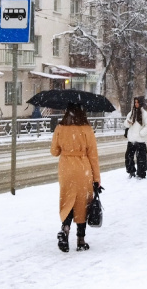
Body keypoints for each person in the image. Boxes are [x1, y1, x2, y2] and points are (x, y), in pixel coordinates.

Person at [50, 103, 101, 253]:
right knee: (82, 203)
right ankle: (81, 240)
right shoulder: (87, 129)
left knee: (67, 201)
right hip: (82, 169)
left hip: (66, 169)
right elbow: (93, 155)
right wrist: (96, 178)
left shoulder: (60, 128)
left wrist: (64, 146)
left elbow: (54, 151)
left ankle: (65, 230)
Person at [124, 96, 147, 179]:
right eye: (135, 102)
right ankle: (131, 171)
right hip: (131, 139)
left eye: (137, 102)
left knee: (141, 158)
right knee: (129, 157)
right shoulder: (131, 113)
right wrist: (128, 123)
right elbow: (125, 123)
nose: (136, 104)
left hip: (140, 140)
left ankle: (141, 173)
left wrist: (141, 133)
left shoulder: (145, 114)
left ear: (141, 103)